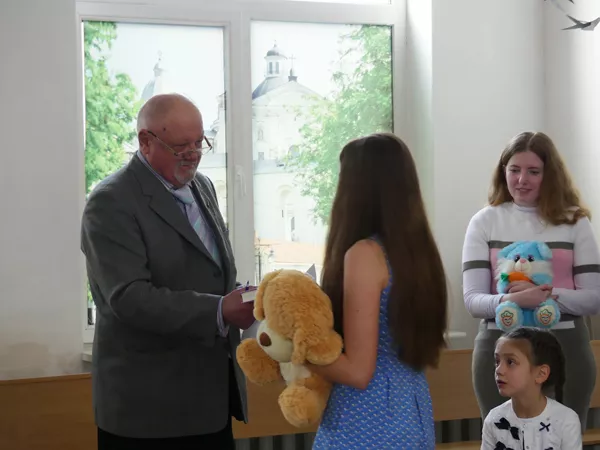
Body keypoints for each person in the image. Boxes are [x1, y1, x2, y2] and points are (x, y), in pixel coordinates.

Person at [80, 93, 256, 450]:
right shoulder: (111, 201)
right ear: (146, 141)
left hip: (209, 401)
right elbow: (128, 298)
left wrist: (245, 297)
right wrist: (220, 310)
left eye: (199, 143)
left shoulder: (202, 186)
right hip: (149, 412)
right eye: (180, 146)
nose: (193, 154)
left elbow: (208, 272)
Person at [309, 133, 448, 449]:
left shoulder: (364, 254)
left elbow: (359, 372)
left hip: (366, 420)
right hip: (411, 411)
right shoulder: (418, 253)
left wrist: (294, 350)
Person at [462, 131, 600, 432]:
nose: (521, 180)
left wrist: (545, 295)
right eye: (514, 170)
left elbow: (593, 298)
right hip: (499, 347)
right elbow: (473, 300)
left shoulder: (575, 221)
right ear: (503, 171)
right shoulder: (484, 221)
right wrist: (512, 300)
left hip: (566, 349)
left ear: (550, 175)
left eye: (533, 172)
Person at [481, 327, 581, 450]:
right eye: (497, 361)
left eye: (510, 362)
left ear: (541, 374)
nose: (499, 370)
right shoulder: (493, 420)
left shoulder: (566, 421)